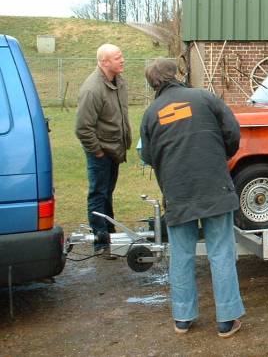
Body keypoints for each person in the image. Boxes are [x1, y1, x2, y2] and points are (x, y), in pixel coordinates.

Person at [140, 58, 245, 337]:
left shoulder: (151, 113)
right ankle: (227, 319)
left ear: (153, 84)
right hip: (214, 187)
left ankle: (183, 319)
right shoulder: (204, 98)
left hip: (177, 191)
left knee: (182, 255)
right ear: (176, 75)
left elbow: (147, 155)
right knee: (221, 252)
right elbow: (233, 132)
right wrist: (219, 154)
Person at [75, 44, 132, 259]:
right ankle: (100, 241)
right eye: (118, 57)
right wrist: (98, 152)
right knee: (98, 193)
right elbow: (82, 128)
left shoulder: (118, 82)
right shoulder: (92, 89)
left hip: (114, 149)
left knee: (107, 192)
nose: (122, 60)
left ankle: (110, 233)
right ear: (104, 62)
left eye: (121, 56)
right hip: (101, 151)